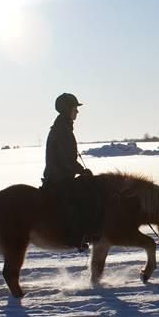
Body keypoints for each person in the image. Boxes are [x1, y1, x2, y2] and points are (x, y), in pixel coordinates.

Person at [41, 93, 97, 251]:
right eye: (75, 108)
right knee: (85, 197)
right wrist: (82, 171)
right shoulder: (62, 130)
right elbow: (66, 160)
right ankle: (74, 237)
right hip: (59, 177)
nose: (77, 112)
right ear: (67, 110)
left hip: (59, 175)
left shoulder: (62, 127)